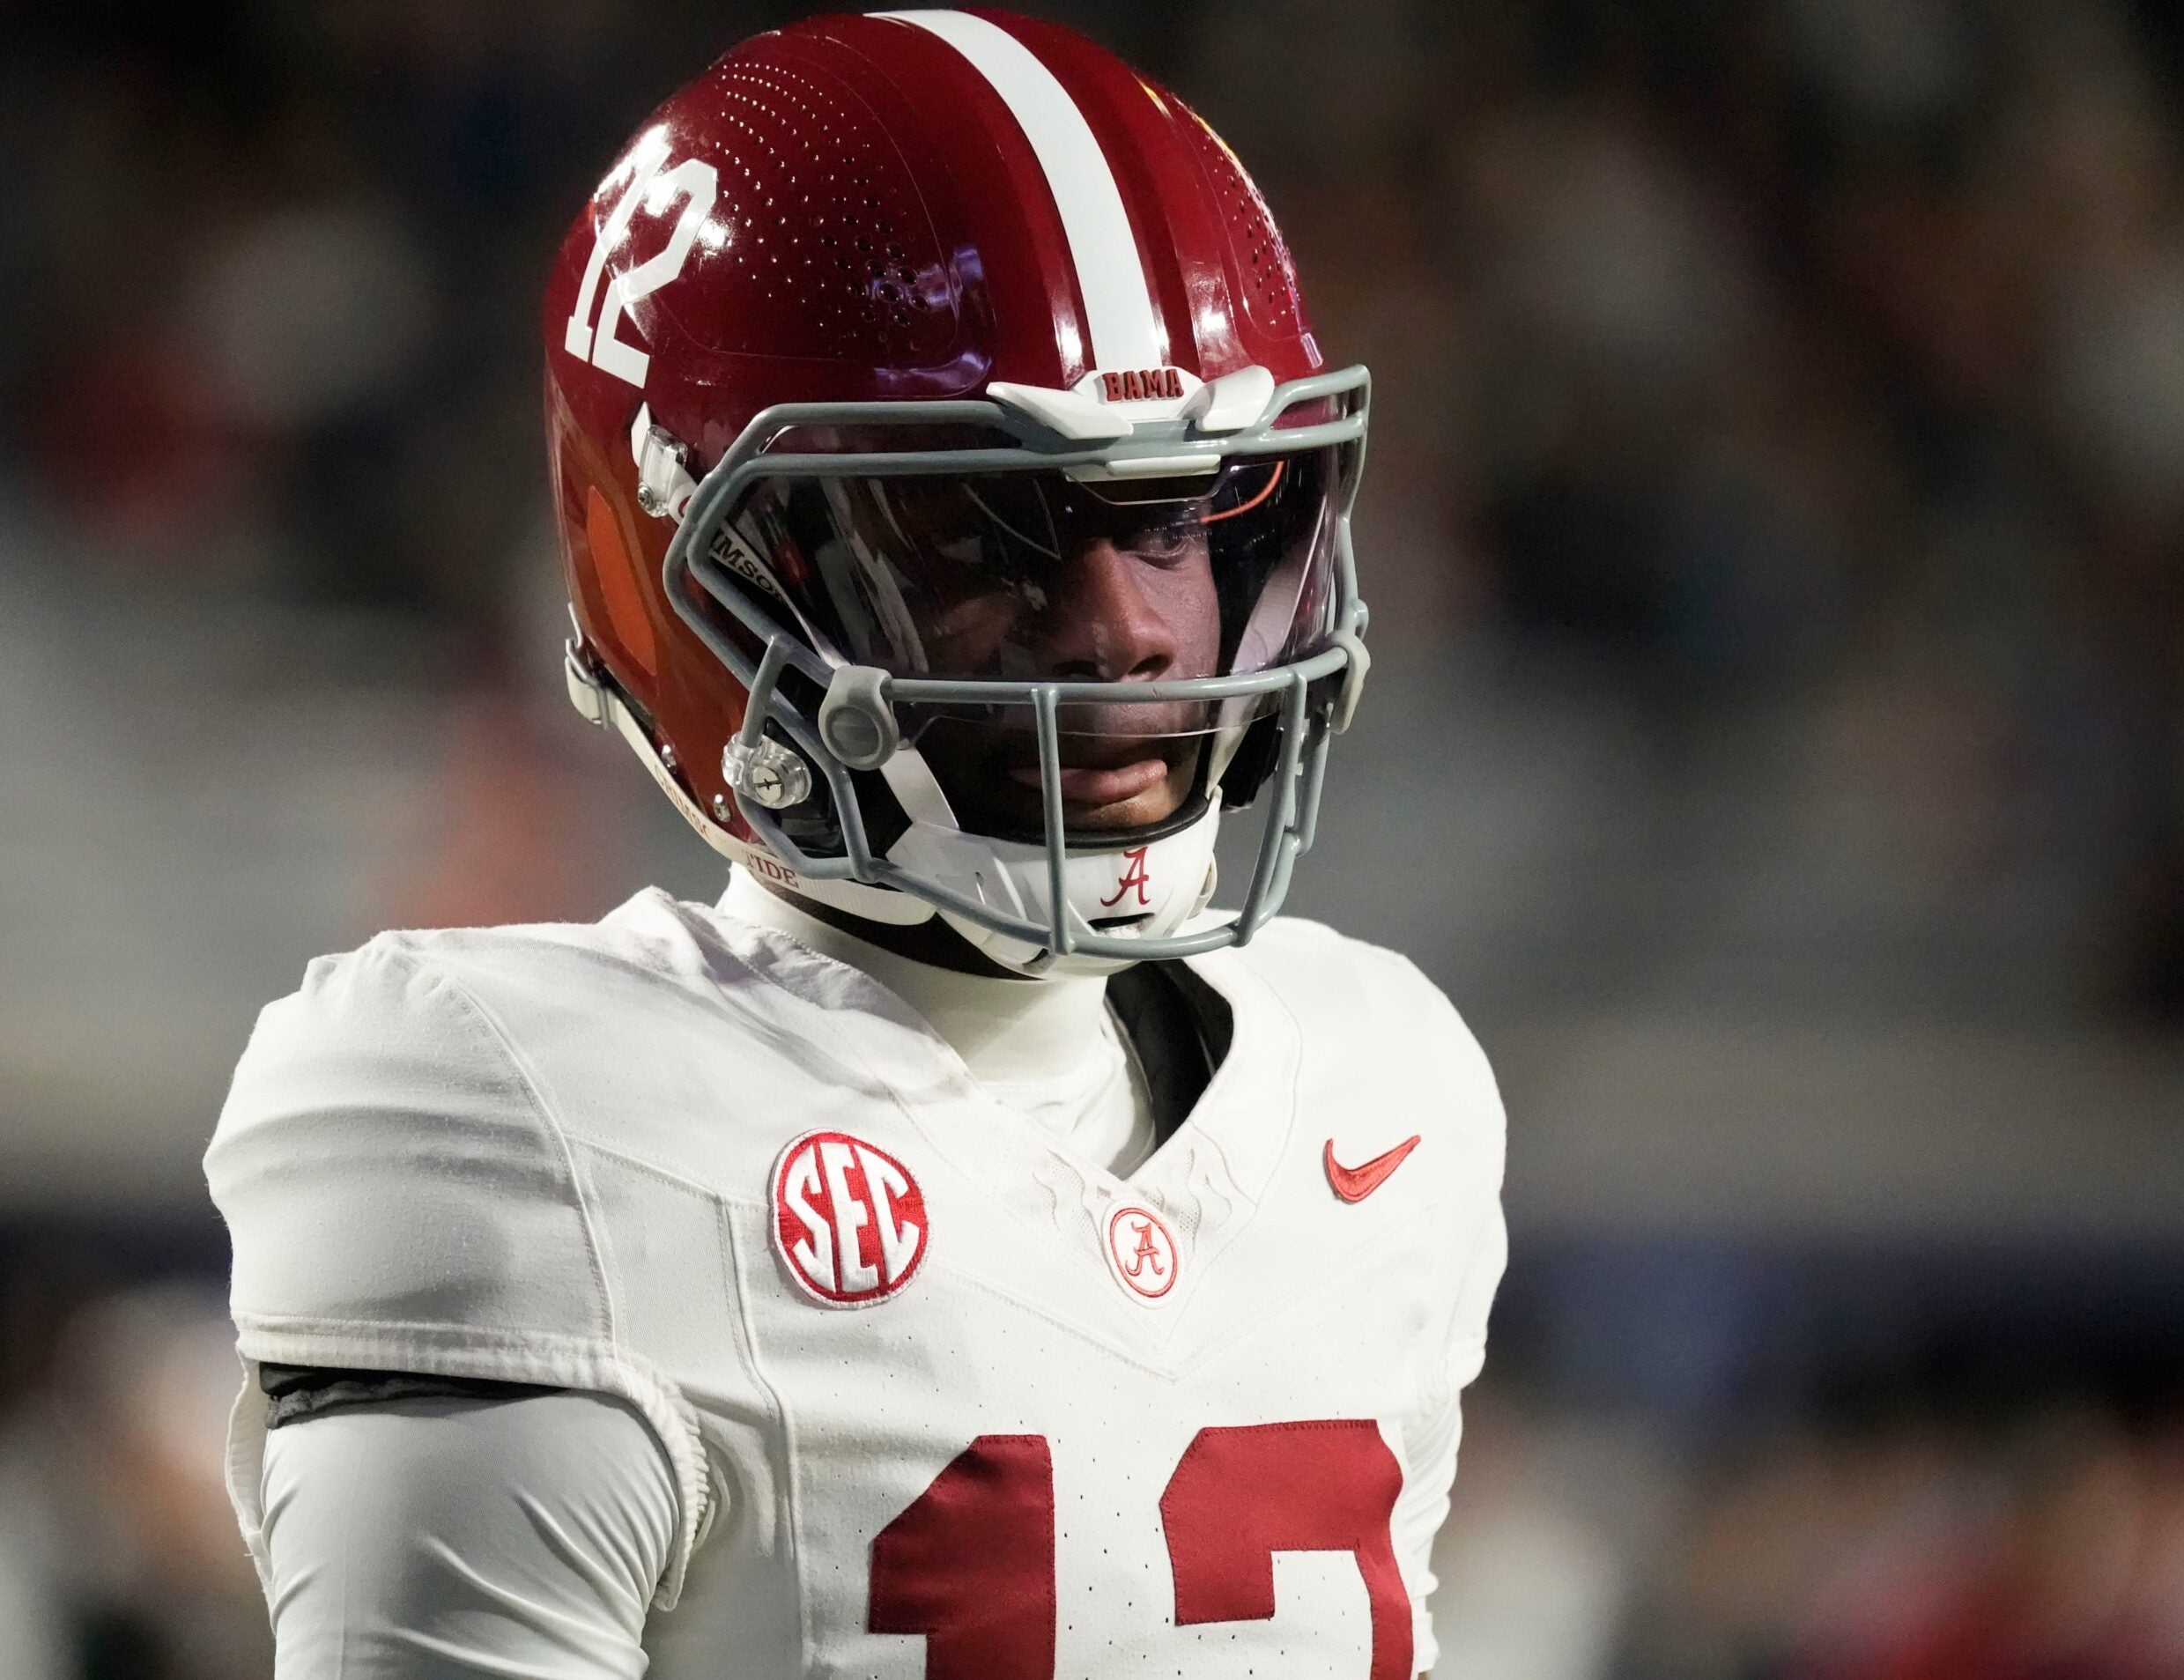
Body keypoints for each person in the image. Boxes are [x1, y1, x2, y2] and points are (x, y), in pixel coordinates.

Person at [205, 11, 1507, 1677]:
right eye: (976, 533)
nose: (1124, 631)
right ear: (693, 573)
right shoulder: (526, 1117)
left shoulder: (1385, 1086)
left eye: (1174, 514)